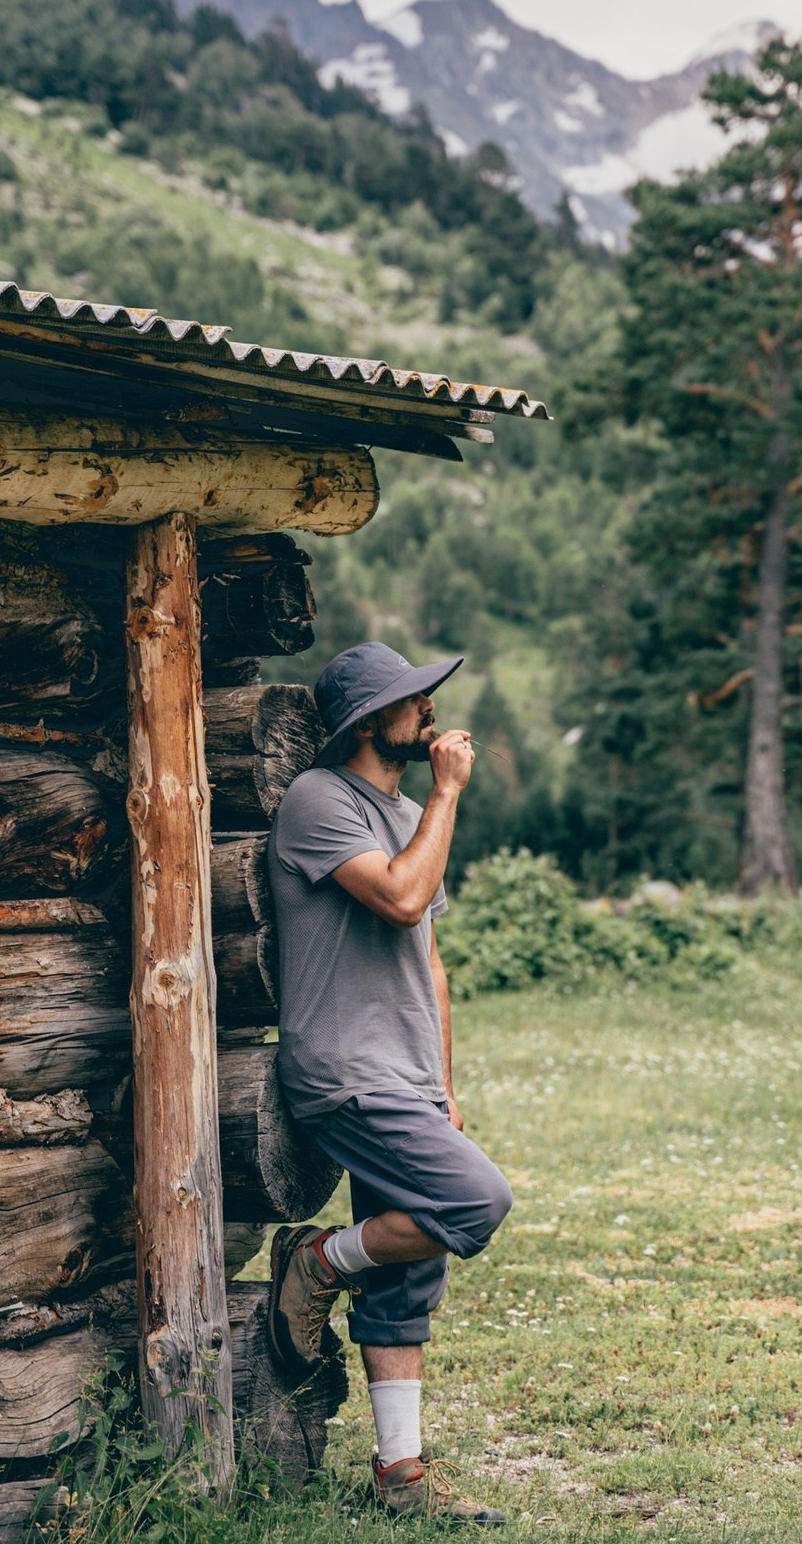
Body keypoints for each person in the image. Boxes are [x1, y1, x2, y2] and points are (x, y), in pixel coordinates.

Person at [265, 642, 513, 1526]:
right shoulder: (320, 801)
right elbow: (403, 899)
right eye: (414, 701)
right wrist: (447, 795)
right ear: (370, 721)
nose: (432, 714)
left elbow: (427, 954)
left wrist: (442, 1080)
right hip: (344, 1072)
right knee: (476, 1201)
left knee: (410, 1279)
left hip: (404, 1075)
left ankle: (399, 1477)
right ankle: (319, 1259)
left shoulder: (406, 811)